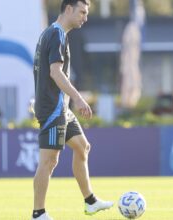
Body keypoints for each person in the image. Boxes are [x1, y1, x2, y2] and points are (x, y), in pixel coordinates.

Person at [31, 1, 113, 219]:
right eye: (82, 12)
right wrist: (78, 98)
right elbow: (55, 73)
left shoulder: (51, 32)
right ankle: (38, 213)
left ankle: (90, 202)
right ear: (68, 9)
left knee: (82, 147)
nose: (85, 18)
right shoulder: (56, 34)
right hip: (53, 108)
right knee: (49, 161)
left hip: (60, 108)